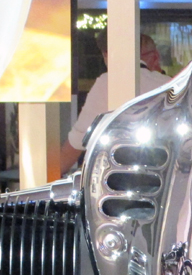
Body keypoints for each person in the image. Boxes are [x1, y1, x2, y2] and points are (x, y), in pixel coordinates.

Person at [61, 30, 171, 173]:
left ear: (107, 55)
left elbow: (79, 140)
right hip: (161, 173)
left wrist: (47, 177)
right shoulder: (169, 83)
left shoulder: (107, 82)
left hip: (116, 176)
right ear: (154, 56)